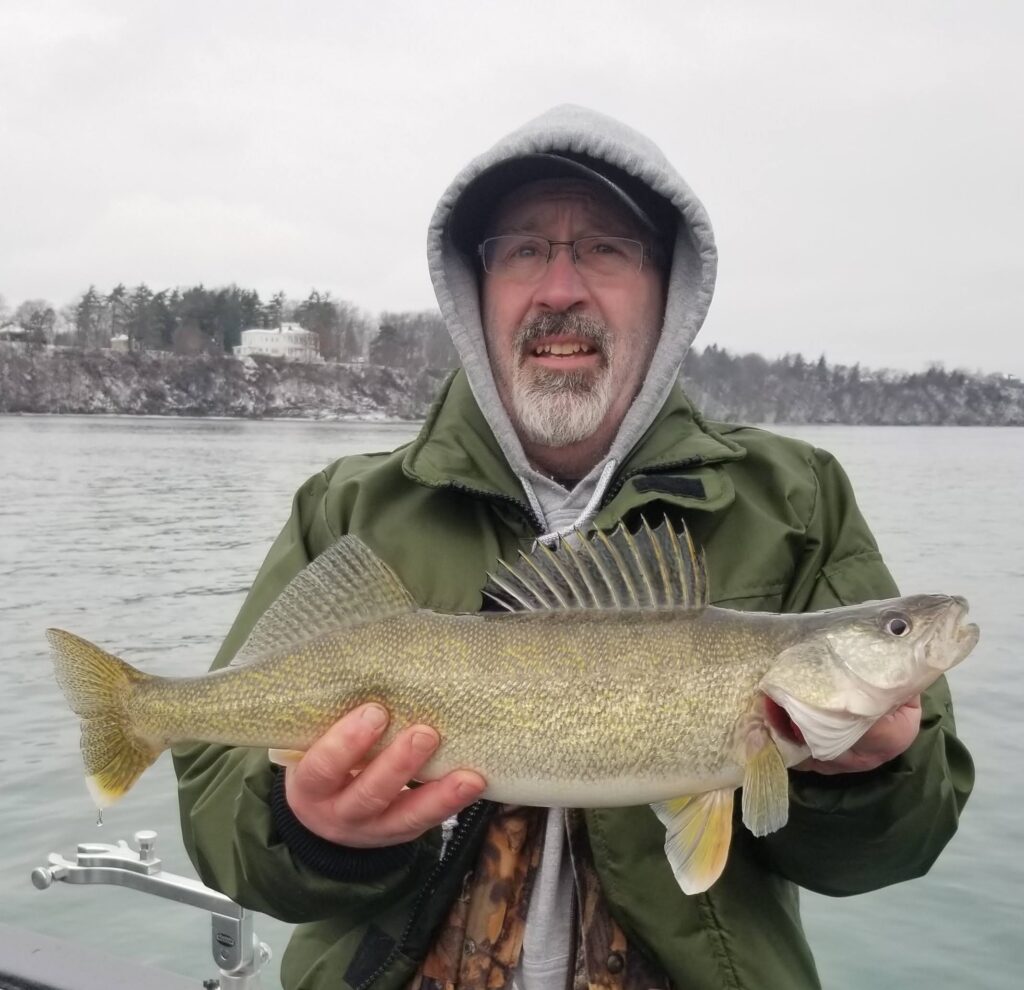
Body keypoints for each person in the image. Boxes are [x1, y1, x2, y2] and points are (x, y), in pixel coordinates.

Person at [174, 105, 973, 990]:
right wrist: (311, 831)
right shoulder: (348, 507)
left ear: (669, 291)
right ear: (473, 292)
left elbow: (894, 850)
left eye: (605, 249)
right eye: (522, 250)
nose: (559, 289)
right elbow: (217, 808)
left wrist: (865, 777)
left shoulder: (799, 499)